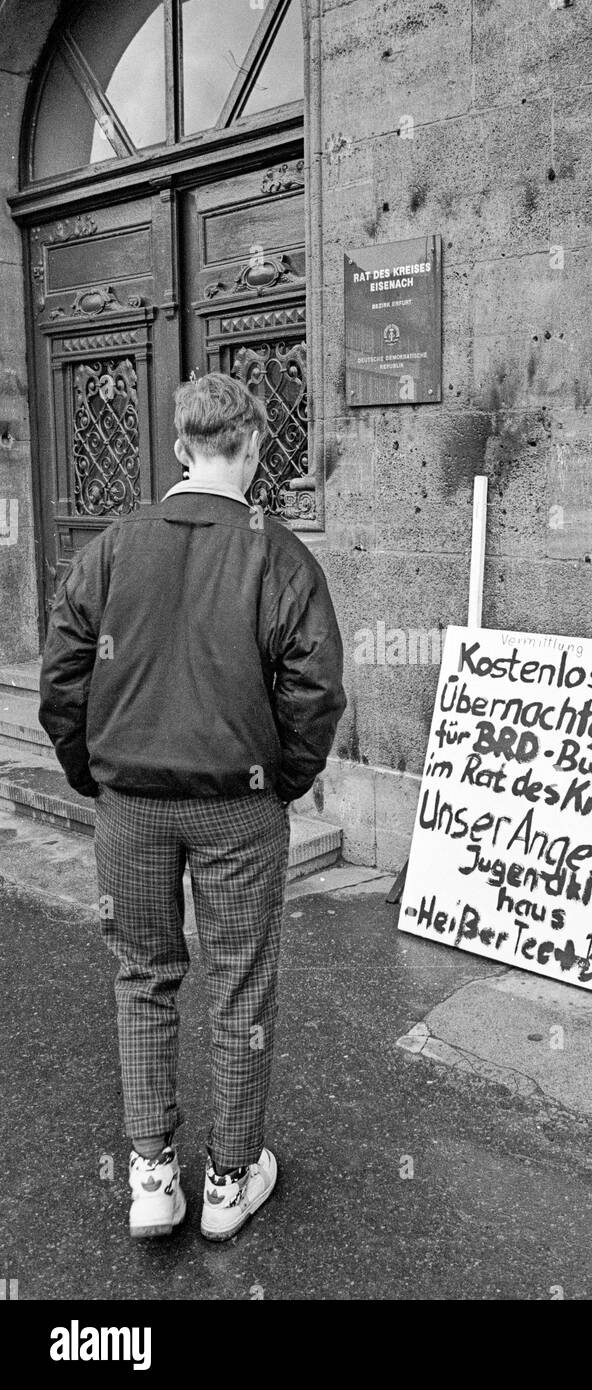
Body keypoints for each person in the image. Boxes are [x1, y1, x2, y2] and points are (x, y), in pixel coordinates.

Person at [39, 372, 346, 1242]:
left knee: (143, 978)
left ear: (180, 447)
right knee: (239, 985)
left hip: (129, 802)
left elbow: (62, 679)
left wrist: (89, 771)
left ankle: (149, 1177)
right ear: (251, 449)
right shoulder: (275, 548)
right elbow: (314, 687)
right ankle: (230, 1179)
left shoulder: (110, 545)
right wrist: (284, 779)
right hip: (235, 805)